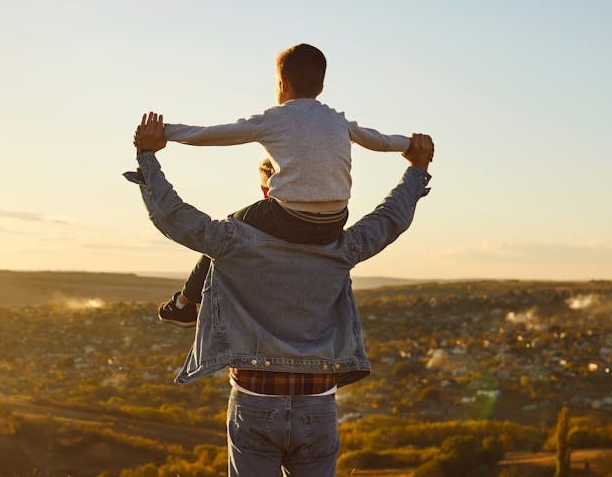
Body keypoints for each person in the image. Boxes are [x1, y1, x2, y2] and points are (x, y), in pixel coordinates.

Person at [125, 112, 434, 477]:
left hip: (254, 404)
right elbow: (389, 220)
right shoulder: (340, 246)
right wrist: (415, 169)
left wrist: (150, 156)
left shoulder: (236, 241)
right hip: (318, 407)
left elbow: (175, 217)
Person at [154, 43, 424, 327]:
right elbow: (379, 140)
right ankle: (188, 301)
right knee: (248, 221)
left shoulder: (274, 118)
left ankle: (185, 304)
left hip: (289, 218)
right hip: (334, 222)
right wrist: (410, 144)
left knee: (227, 230)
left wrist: (165, 133)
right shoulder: (338, 120)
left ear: (282, 83)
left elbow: (212, 134)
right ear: (321, 87)